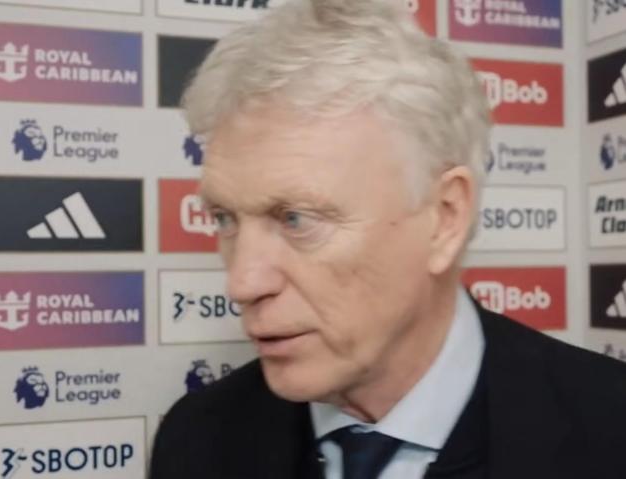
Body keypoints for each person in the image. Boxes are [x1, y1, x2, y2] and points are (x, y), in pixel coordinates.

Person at [150, 1, 626, 478]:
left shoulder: (610, 428)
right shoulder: (196, 441)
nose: (242, 283)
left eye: (295, 219)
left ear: (445, 217)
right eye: (225, 218)